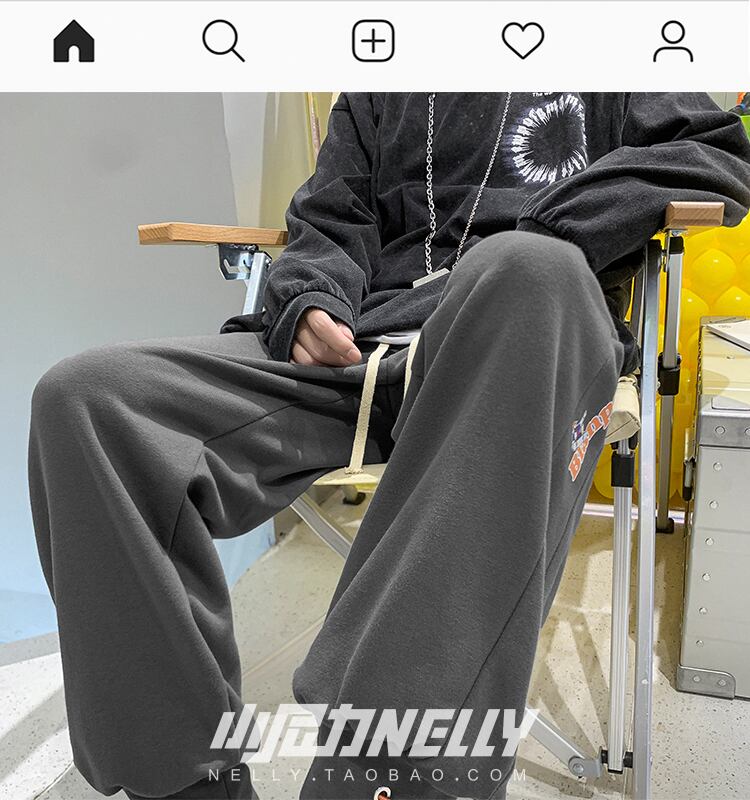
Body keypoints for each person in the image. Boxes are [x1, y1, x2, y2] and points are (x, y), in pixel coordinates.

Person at [29, 93, 750, 800]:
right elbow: (328, 217)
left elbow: (719, 151)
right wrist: (310, 298)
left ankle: (385, 780)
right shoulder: (381, 89)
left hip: (514, 353)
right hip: (362, 357)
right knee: (88, 400)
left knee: (531, 267)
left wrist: (555, 226)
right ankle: (186, 781)